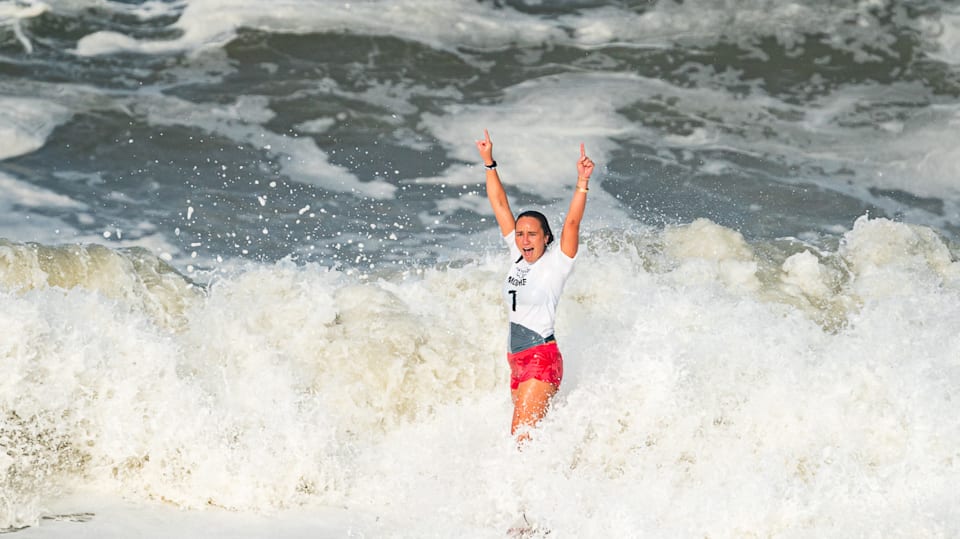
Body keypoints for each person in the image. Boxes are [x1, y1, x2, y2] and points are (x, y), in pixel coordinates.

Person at [475, 128, 594, 442]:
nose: (524, 239)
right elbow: (500, 205)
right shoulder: (517, 256)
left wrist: (582, 183)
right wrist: (489, 163)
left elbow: (572, 223)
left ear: (546, 238)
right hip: (516, 361)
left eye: (532, 234)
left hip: (541, 358)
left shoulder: (556, 264)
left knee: (520, 439)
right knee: (528, 440)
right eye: (520, 233)